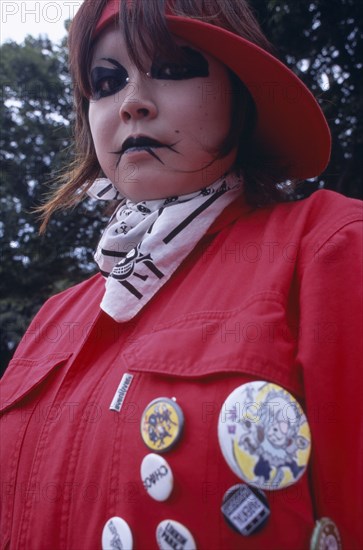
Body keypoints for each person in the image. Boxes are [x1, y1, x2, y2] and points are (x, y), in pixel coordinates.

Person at [1, 1, 362, 549]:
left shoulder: (329, 248)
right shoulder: (54, 317)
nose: (133, 103)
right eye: (106, 81)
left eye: (172, 68)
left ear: (240, 96)